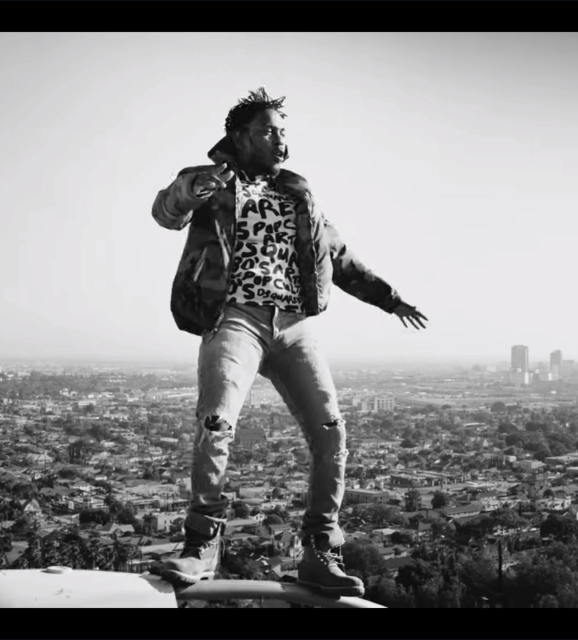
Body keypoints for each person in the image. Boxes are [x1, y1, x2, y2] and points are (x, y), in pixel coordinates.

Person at [151, 88, 428, 597]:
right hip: (235, 318)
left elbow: (340, 259)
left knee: (332, 433)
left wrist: (391, 300)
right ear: (241, 136)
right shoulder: (213, 184)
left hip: (295, 325)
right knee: (216, 423)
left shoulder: (298, 195)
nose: (280, 140)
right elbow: (166, 212)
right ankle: (202, 544)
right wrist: (193, 187)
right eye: (268, 130)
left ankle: (321, 552)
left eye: (283, 131)